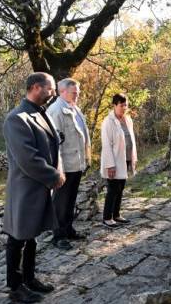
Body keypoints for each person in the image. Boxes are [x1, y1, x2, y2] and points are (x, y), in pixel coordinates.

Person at [2, 72, 65, 304]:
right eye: (50, 88)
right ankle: (15, 286)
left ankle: (29, 278)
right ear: (36, 87)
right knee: (18, 238)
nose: (53, 93)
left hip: (38, 187)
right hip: (25, 188)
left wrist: (58, 169)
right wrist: (53, 175)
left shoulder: (39, 113)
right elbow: (28, 158)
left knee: (31, 237)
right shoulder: (17, 118)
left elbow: (52, 146)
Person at [47, 78, 91, 250]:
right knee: (61, 201)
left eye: (78, 92)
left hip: (76, 163)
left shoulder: (74, 107)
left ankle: (68, 228)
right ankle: (58, 235)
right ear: (62, 91)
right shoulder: (56, 111)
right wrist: (58, 169)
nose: (77, 95)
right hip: (64, 165)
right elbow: (54, 143)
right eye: (74, 92)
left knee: (70, 199)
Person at [100, 93, 138, 228]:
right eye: (121, 105)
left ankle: (116, 214)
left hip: (126, 159)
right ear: (114, 105)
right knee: (113, 189)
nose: (124, 108)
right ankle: (107, 217)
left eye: (126, 105)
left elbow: (131, 140)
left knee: (121, 188)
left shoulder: (127, 120)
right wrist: (110, 165)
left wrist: (134, 157)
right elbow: (106, 145)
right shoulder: (108, 122)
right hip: (114, 161)